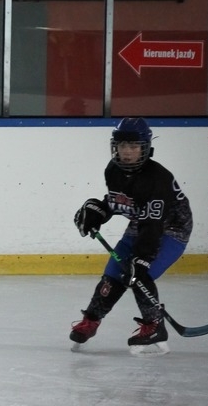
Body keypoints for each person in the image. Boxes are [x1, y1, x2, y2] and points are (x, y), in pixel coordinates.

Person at [71, 117, 192, 356]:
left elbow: (154, 225)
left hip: (171, 230)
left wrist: (143, 258)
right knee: (113, 275)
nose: (127, 152)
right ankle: (92, 320)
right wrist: (99, 212)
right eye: (122, 146)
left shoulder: (157, 179)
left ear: (146, 148)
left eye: (133, 146)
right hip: (141, 225)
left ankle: (154, 325)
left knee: (139, 274)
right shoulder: (113, 170)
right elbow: (121, 203)